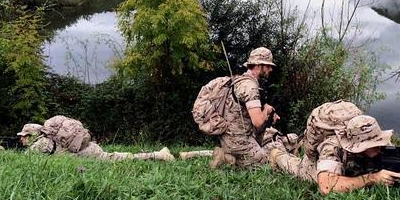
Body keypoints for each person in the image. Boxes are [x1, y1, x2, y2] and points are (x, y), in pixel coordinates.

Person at [269, 101, 400, 195]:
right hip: (318, 158)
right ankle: (277, 154)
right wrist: (371, 178)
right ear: (356, 146)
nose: (379, 148)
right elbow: (326, 187)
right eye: (372, 146)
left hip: (352, 161)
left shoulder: (381, 145)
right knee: (302, 171)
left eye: (378, 143)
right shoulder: (332, 146)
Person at [210, 47, 291, 168]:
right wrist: (266, 110)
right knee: (265, 162)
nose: (271, 69)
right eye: (267, 66)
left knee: (263, 152)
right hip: (238, 140)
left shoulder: (239, 80)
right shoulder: (250, 87)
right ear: (258, 65)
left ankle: (230, 154)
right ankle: (226, 157)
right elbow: (258, 122)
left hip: (231, 136)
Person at [17, 121, 175, 162]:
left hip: (87, 155)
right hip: (89, 148)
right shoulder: (48, 138)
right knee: (117, 156)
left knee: (121, 158)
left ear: (32, 135)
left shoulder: (39, 144)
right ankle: (156, 154)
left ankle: (159, 155)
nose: (21, 139)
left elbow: (22, 163)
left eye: (24, 136)